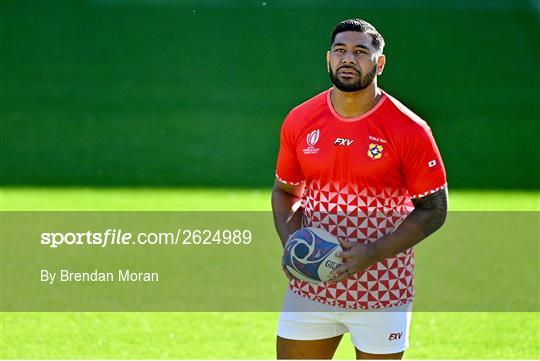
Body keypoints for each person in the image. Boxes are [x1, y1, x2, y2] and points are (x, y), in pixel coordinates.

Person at [271, 19, 448, 360]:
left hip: (382, 292)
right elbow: (285, 191)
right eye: (340, 51)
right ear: (328, 59)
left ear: (379, 63)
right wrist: (292, 243)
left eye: (360, 52)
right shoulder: (300, 119)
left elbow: (434, 209)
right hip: (311, 288)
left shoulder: (410, 129)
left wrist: (374, 252)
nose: (348, 58)